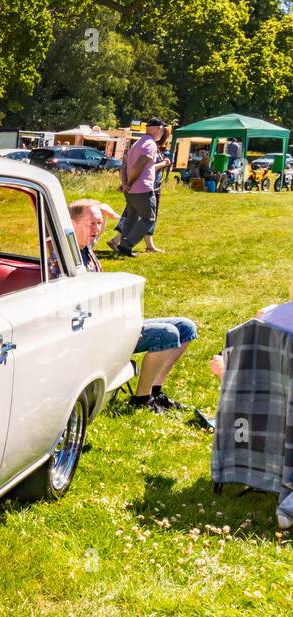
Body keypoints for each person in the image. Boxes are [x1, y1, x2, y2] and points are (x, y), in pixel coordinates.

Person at [71, 198, 197, 412]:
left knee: (186, 327)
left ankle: (155, 391)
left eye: (100, 223)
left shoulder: (86, 248)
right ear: (72, 225)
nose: (98, 229)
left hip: (114, 322)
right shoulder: (69, 256)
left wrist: (100, 209)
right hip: (99, 333)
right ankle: (142, 399)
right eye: (91, 224)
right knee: (166, 334)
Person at [109, 118, 167, 257]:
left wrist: (125, 184)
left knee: (132, 218)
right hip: (143, 188)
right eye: (162, 129)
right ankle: (128, 244)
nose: (162, 132)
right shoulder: (150, 144)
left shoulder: (137, 143)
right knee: (148, 219)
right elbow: (139, 165)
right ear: (157, 128)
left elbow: (124, 165)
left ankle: (124, 248)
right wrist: (128, 183)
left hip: (131, 190)